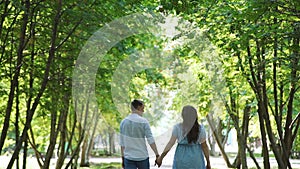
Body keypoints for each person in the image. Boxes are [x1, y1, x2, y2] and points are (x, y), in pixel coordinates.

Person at [120, 99, 160, 169]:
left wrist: (123, 159)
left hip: (129, 158)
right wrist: (157, 154)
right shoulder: (144, 122)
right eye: (143, 108)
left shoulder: (123, 122)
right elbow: (150, 139)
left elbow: (122, 143)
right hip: (142, 157)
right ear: (138, 107)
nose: (143, 111)